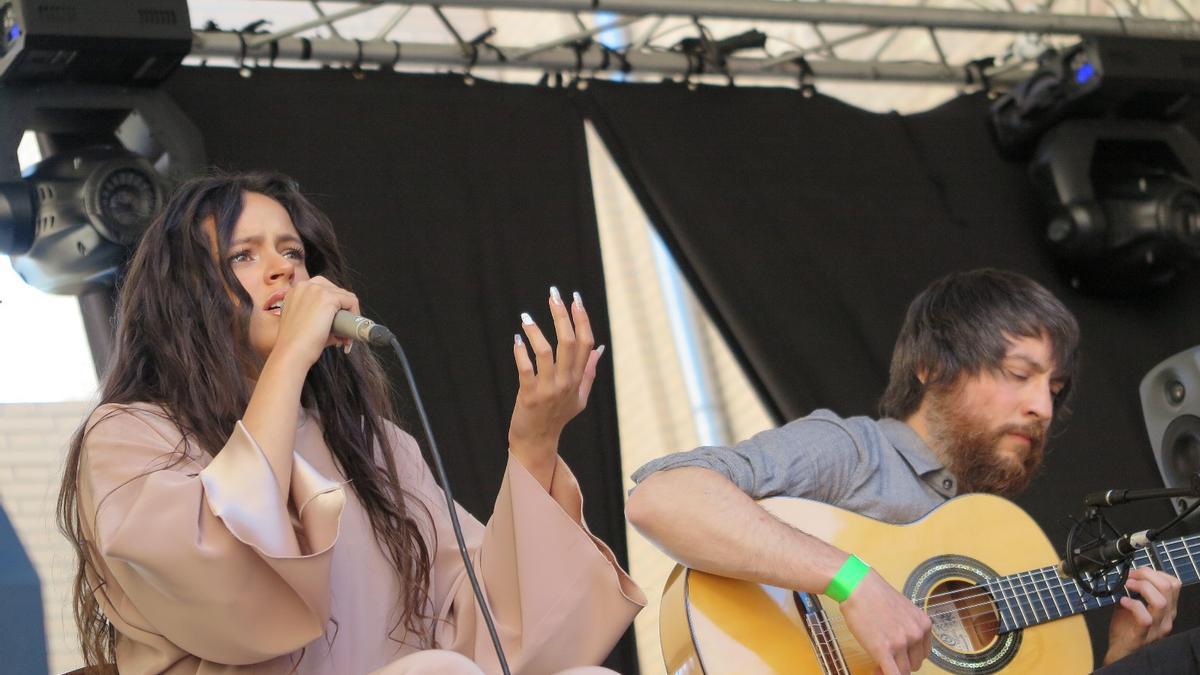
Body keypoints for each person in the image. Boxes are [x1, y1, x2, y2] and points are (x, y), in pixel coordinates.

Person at [56, 171, 645, 675]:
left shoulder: (374, 445)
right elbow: (221, 584)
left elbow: (486, 625)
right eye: (245, 255)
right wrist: (290, 356)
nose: (282, 271)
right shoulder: (130, 436)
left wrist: (534, 442)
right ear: (182, 295)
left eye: (292, 252)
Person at [626, 268, 1183, 675]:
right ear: (932, 365)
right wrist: (853, 582)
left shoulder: (994, 538)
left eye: (1055, 391)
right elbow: (665, 498)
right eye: (1020, 373)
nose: (1042, 407)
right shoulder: (854, 452)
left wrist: (1124, 660)